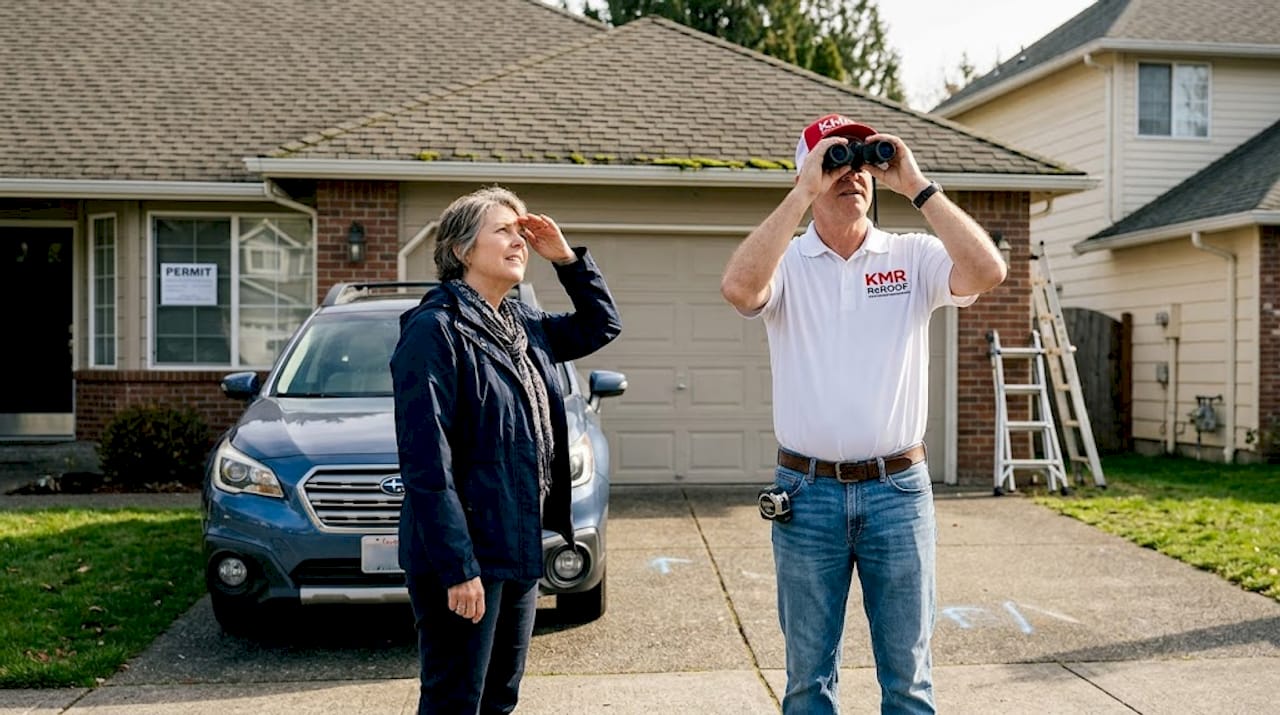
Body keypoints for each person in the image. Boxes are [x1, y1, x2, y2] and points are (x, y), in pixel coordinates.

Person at [721, 114, 1007, 714]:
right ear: (807, 171)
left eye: (861, 161)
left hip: (898, 492)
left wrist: (918, 186)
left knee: (908, 680)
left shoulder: (911, 256)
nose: (851, 172)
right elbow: (740, 290)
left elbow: (988, 272)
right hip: (807, 492)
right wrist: (802, 190)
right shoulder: (788, 264)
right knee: (806, 683)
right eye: (833, 160)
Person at [390, 186, 621, 714]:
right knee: (455, 702)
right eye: (503, 231)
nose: (519, 241)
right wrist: (457, 568)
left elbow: (601, 323)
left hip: (518, 547)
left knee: (500, 699)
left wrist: (565, 258)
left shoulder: (521, 327)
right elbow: (428, 464)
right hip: (465, 555)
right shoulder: (434, 331)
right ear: (462, 251)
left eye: (522, 233)